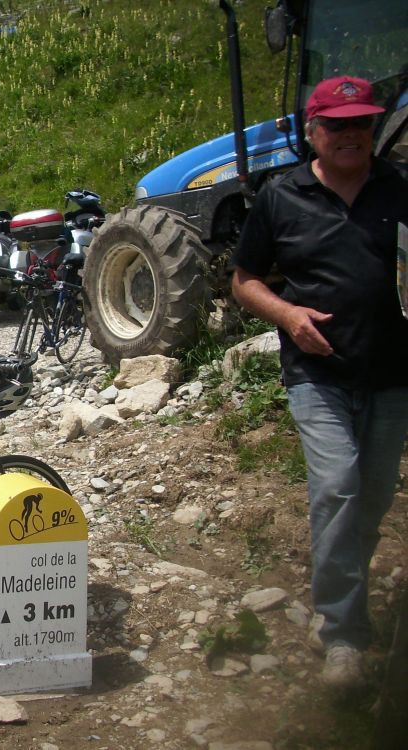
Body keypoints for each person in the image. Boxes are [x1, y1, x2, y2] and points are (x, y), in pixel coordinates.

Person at [231, 76, 408, 690]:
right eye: (338, 125)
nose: (352, 134)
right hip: (318, 374)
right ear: (313, 130)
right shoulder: (283, 197)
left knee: (371, 500)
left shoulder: (398, 189)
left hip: (391, 373)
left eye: (362, 123)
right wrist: (287, 315)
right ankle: (343, 637)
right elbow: (245, 280)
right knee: (336, 488)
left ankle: (340, 590)